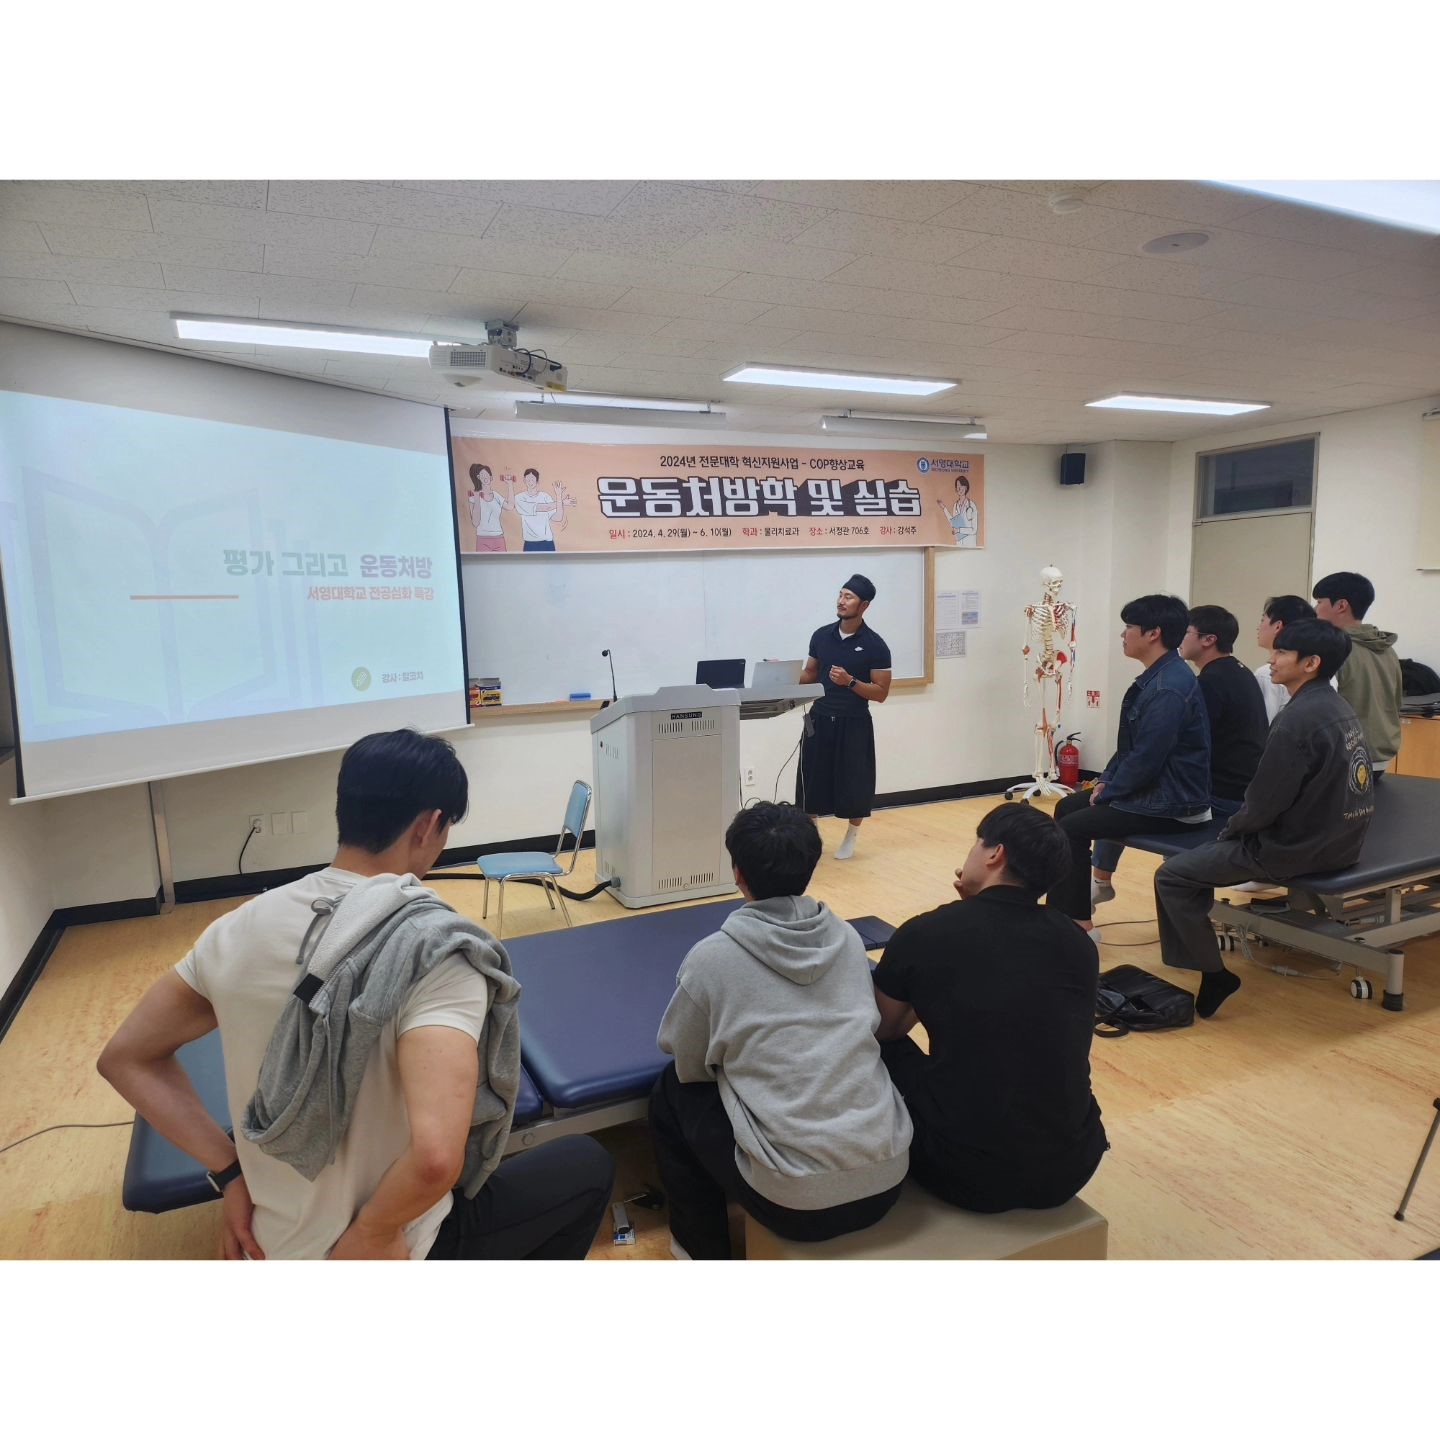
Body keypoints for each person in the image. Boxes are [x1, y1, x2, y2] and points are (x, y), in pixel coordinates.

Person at [97, 729, 614, 1260]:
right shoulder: (438, 948)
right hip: (393, 1246)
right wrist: (374, 1231)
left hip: (270, 1244)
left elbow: (126, 1058)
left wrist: (230, 1174)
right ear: (430, 825)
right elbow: (437, 1159)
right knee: (585, 1165)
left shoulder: (234, 929)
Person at [649, 802, 912, 1260]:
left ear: (737, 872)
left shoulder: (711, 959)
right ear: (810, 867)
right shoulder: (848, 939)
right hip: (889, 1180)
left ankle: (699, 1250)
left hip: (794, 1204)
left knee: (670, 1091)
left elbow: (687, 1060)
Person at [873, 803, 1107, 1212]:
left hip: (964, 1173)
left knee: (881, 1045)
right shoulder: (1077, 942)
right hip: (1071, 1167)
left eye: (976, 844)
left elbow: (884, 1028)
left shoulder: (926, 933)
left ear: (995, 853)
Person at [1153, 619, 1375, 1018]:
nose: (1271, 659)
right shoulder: (1338, 707)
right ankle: (1200, 949)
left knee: (1172, 875)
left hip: (1293, 849)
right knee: (1198, 862)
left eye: (1281, 652)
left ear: (1311, 663)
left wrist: (1230, 832)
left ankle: (1213, 973)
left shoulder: (1296, 721)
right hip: (1344, 843)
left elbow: (1262, 804)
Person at [1046, 593, 1211, 930]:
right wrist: (1106, 780)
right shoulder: (1159, 677)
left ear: (1153, 633)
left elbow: (1148, 758)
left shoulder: (1168, 687)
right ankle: (1066, 913)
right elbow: (1130, 749)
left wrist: (1108, 793)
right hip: (1155, 792)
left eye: (1129, 627)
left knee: (1072, 828)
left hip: (1174, 804)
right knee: (1066, 809)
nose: (1123, 634)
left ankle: (1077, 925)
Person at [1090, 604, 1268, 906]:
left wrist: (1112, 783)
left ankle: (1101, 880)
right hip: (1238, 786)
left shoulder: (1208, 683)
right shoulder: (1238, 671)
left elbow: (1159, 745)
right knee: (1124, 785)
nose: (1178, 639)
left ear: (1209, 640)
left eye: (1186, 632)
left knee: (1118, 799)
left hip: (1220, 794)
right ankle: (1104, 880)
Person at [796, 574, 893, 860]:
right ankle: (812, 837)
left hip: (854, 722)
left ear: (864, 605)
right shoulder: (821, 635)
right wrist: (784, 675)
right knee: (810, 778)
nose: (841, 601)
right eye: (840, 594)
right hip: (819, 718)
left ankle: (851, 836)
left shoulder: (875, 645)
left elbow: (880, 692)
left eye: (848, 597)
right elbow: (811, 673)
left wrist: (850, 682)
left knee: (854, 782)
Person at [1312, 571, 1404, 776]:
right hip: (1381, 758)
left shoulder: (1335, 649)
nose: (1315, 609)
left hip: (1348, 759)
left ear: (1341, 605)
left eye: (1319, 602)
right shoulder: (1388, 650)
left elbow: (1319, 710)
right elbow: (1397, 703)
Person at [1253, 595, 1318, 723]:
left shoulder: (1267, 674)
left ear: (1277, 626)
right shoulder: (1321, 670)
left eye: (1262, 620)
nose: (1258, 627)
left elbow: (1264, 725)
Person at [506, 467, 574, 553]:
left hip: (547, 543)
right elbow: (545, 507)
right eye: (528, 479)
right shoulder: (519, 498)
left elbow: (558, 517)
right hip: (530, 544)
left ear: (537, 481)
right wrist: (562, 502)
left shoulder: (545, 496)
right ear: (524, 480)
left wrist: (559, 495)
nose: (530, 481)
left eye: (532, 479)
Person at [467, 463, 511, 552]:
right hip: (482, 538)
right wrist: (477, 499)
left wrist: (510, 485)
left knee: (503, 561)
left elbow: (510, 506)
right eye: (482, 475)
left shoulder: (496, 495)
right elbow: (475, 523)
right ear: (478, 477)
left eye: (486, 475)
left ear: (491, 477)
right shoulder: (473, 497)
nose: (485, 477)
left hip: (498, 537)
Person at [940, 474, 978, 548]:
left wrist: (959, 530)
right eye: (958, 486)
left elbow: (974, 530)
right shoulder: (956, 505)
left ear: (966, 487)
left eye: (962, 485)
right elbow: (953, 521)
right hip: (959, 543)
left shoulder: (972, 506)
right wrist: (944, 508)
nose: (960, 488)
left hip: (970, 543)